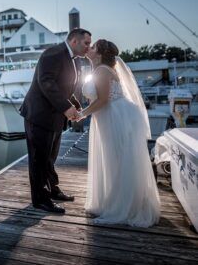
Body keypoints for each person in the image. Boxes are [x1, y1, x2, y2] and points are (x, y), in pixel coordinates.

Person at [78, 39, 160, 227]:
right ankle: (118, 200)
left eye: (92, 47)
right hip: (112, 116)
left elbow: (104, 100)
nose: (88, 49)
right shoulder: (100, 70)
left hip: (114, 116)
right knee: (117, 159)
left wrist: (82, 114)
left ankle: (122, 205)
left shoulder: (101, 71)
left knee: (116, 160)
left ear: (98, 54)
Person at [20, 28, 92, 213]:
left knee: (50, 158)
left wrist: (74, 105)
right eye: (86, 43)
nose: (88, 47)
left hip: (54, 117)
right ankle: (40, 199)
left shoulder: (73, 59)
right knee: (39, 159)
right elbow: (47, 82)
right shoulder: (53, 53)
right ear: (74, 41)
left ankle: (52, 190)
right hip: (39, 116)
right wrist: (66, 108)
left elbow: (66, 88)